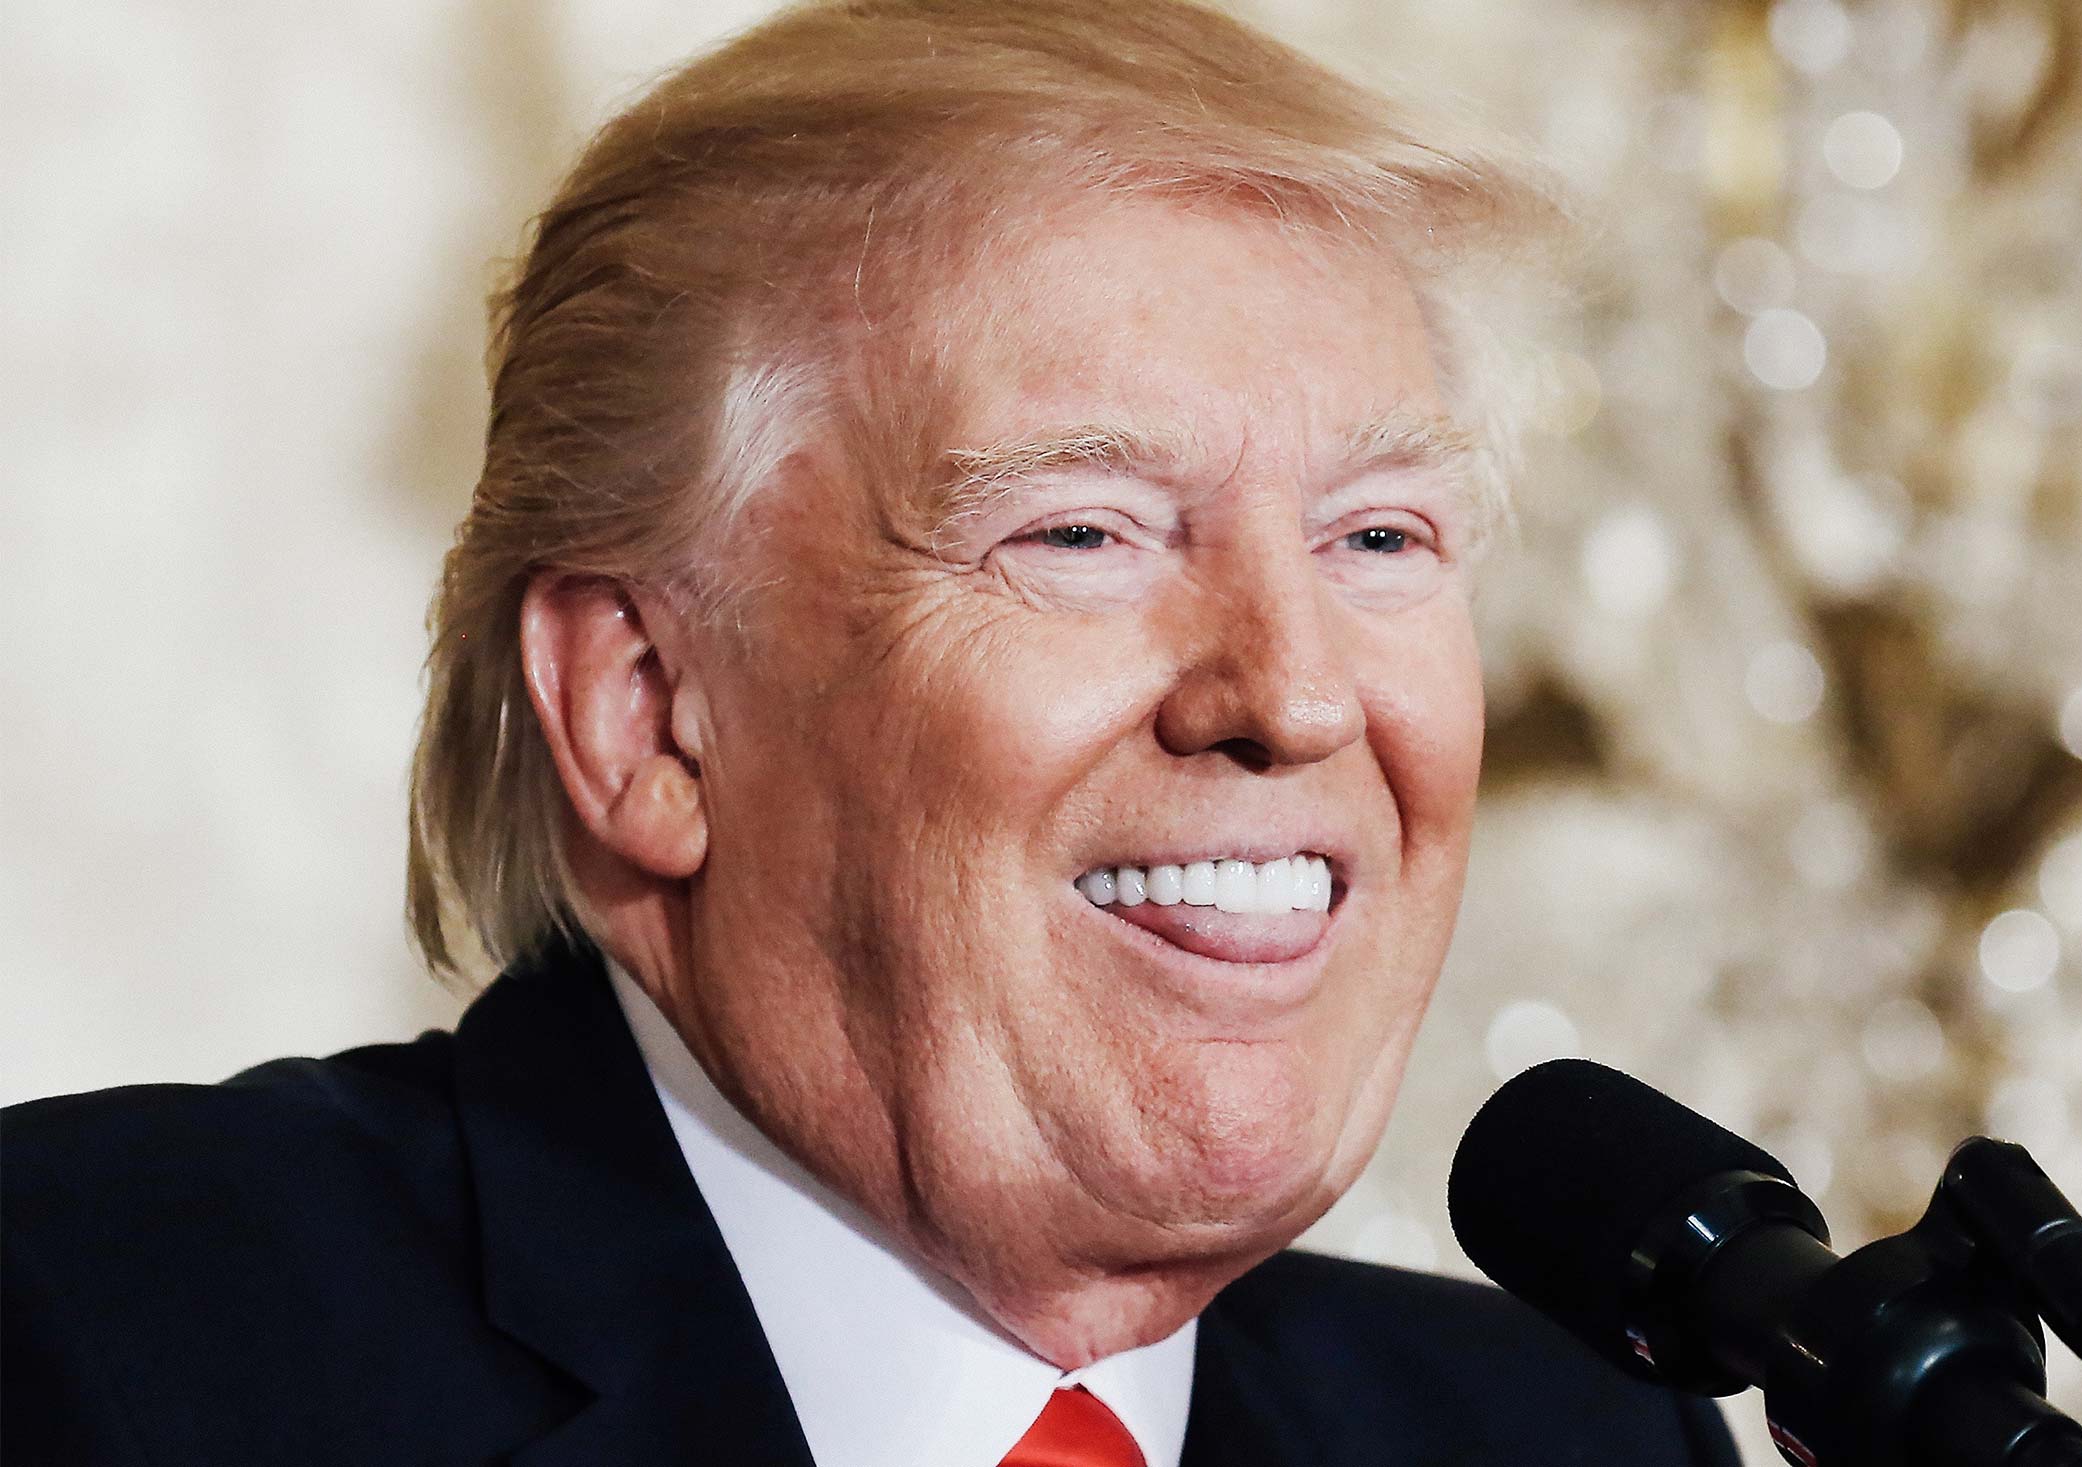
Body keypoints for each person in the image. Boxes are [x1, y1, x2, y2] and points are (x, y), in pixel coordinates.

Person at [4, 2, 1740, 1463]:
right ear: (644, 711)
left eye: (1379, 540)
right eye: (1084, 534)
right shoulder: (91, 1338)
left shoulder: (1570, 1432)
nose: (1293, 695)